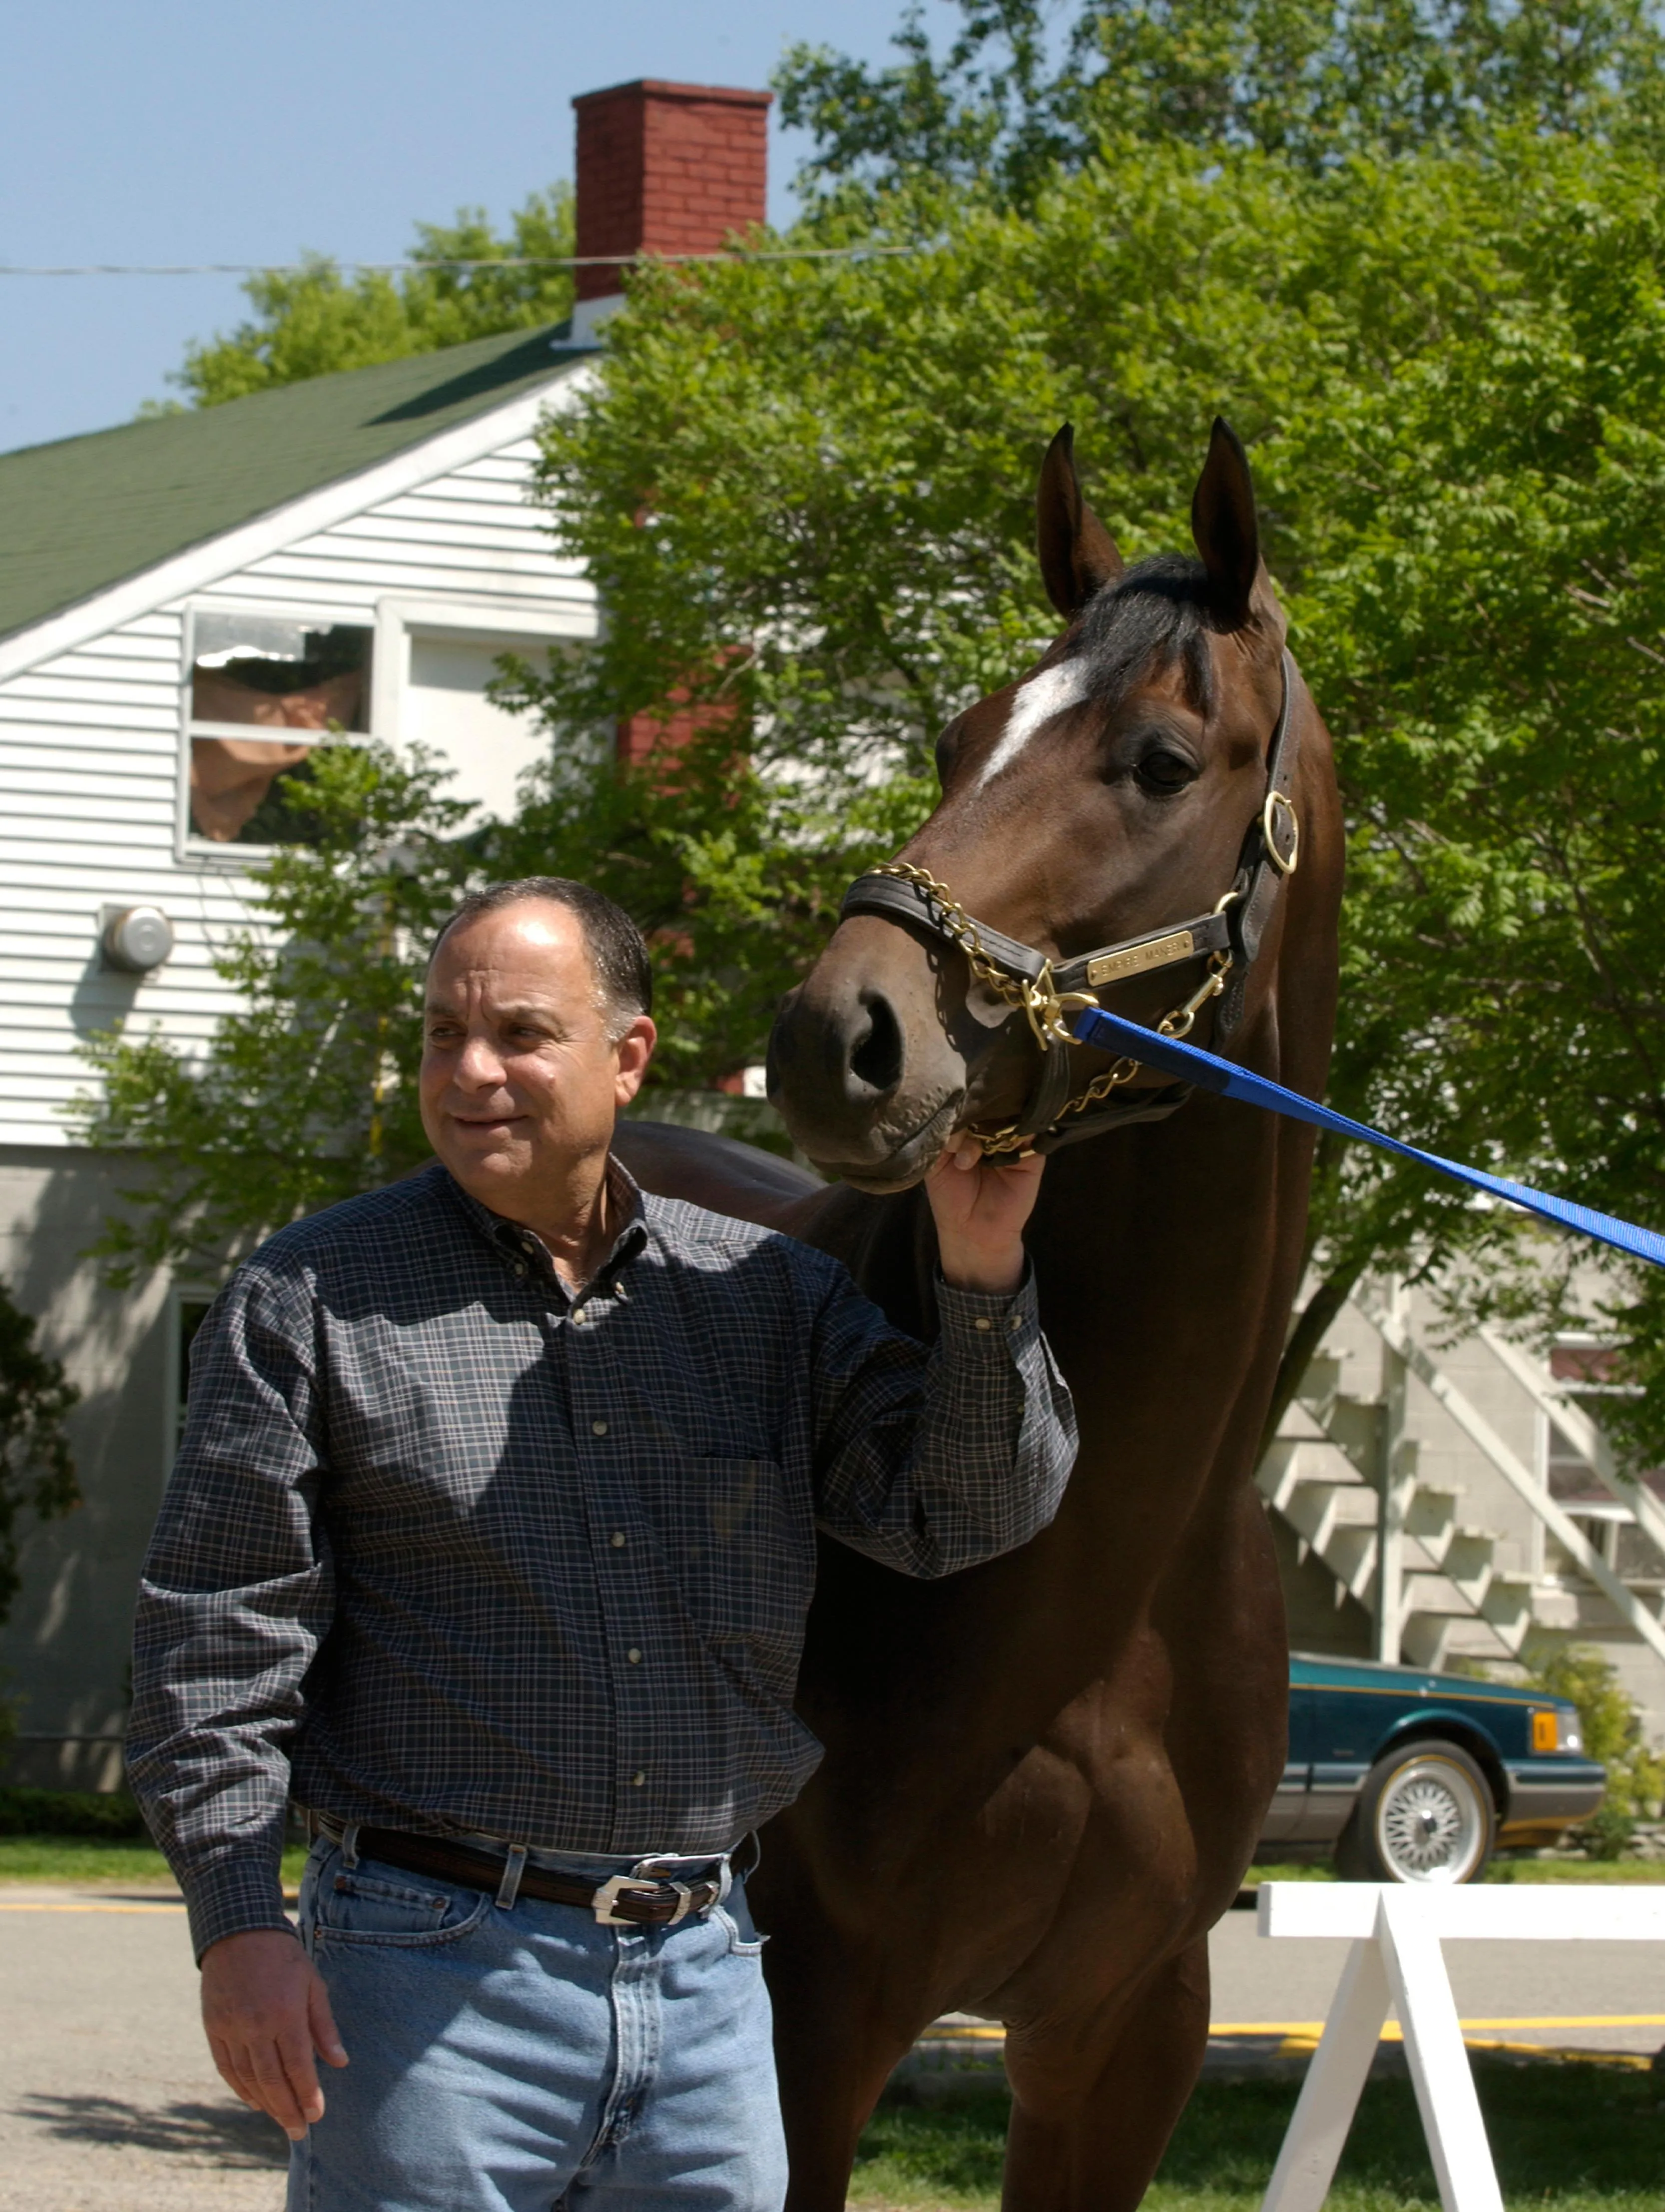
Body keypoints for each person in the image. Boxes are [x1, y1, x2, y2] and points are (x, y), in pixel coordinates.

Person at [127, 876, 1076, 2212]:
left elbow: (958, 1514)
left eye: (519, 1033)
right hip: (421, 1979)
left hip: (705, 1988)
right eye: (440, 1036)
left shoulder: (766, 1299)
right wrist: (236, 1921)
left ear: (627, 1056)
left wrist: (980, 1274)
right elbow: (214, 1638)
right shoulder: (309, 1300)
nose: (470, 1071)